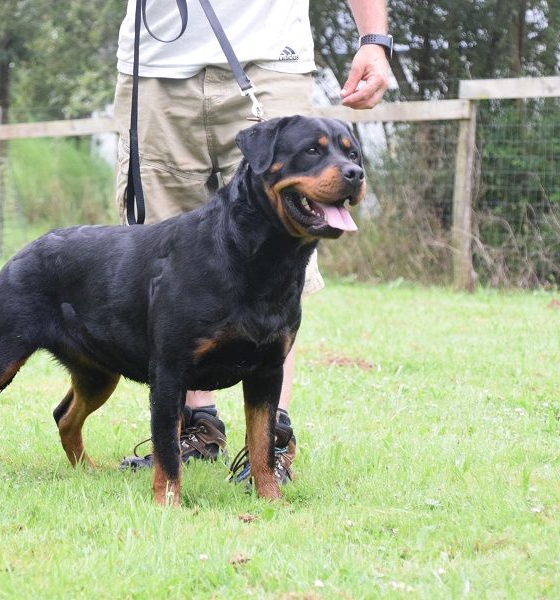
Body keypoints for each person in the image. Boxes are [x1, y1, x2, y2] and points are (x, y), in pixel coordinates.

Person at [113, 0, 390, 485]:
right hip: (156, 64)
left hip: (271, 55)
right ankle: (196, 429)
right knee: (168, 270)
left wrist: (374, 39)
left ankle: (271, 444)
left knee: (284, 263)